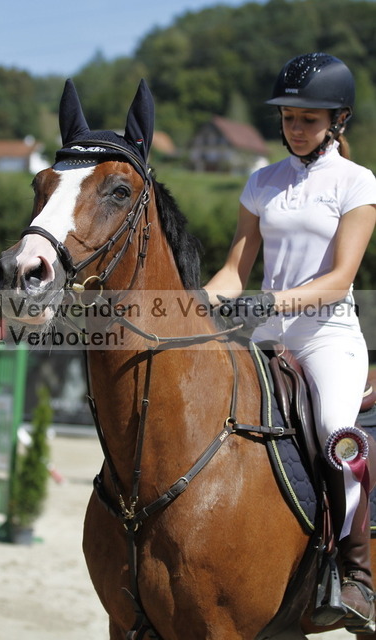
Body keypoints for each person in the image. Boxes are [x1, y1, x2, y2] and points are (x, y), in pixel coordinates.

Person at [205, 52, 376, 633]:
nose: (295, 128)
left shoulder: (356, 182)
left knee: (334, 432)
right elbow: (235, 269)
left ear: (337, 120)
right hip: (267, 337)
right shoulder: (262, 181)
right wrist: (194, 303)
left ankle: (357, 576)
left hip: (327, 336)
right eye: (288, 118)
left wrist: (270, 301)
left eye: (308, 119)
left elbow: (340, 278)